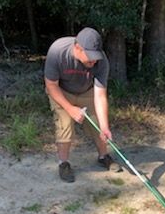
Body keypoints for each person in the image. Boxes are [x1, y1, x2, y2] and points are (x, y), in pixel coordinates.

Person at [44, 27, 119, 182]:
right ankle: (63, 163)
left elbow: (100, 94)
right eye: (90, 56)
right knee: (64, 126)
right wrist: (70, 109)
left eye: (96, 56)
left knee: (97, 124)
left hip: (87, 91)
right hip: (61, 91)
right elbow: (51, 85)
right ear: (77, 48)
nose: (93, 61)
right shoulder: (57, 52)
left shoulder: (101, 61)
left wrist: (105, 126)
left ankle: (103, 156)